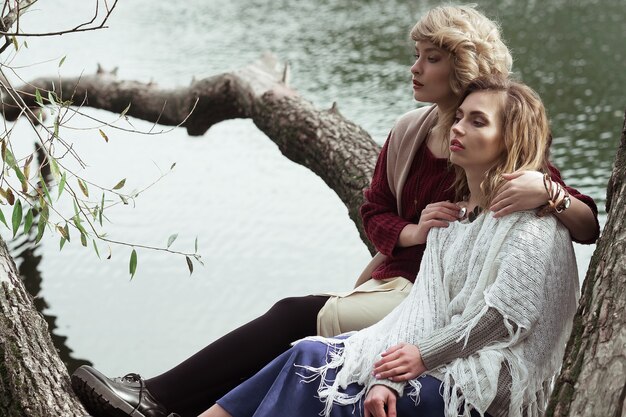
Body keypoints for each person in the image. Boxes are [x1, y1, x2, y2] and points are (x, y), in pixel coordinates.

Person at [71, 6, 599, 417]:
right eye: (417, 55)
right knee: (305, 338)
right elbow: (374, 212)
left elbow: (579, 223)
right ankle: (171, 401)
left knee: (298, 323)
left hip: (429, 301)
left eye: (431, 58)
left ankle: (160, 399)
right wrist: (413, 232)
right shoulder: (411, 133)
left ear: (463, 67)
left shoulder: (499, 143)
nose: (415, 68)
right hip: (402, 284)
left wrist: (549, 194)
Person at [198, 74, 580, 417]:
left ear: (509, 139)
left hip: (484, 381)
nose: (457, 128)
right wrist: (392, 374)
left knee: (332, 385)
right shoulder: (453, 219)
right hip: (436, 358)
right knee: (306, 353)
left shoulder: (533, 220)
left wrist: (418, 359)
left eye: (477, 121)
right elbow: (423, 309)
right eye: (460, 116)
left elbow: (504, 320)